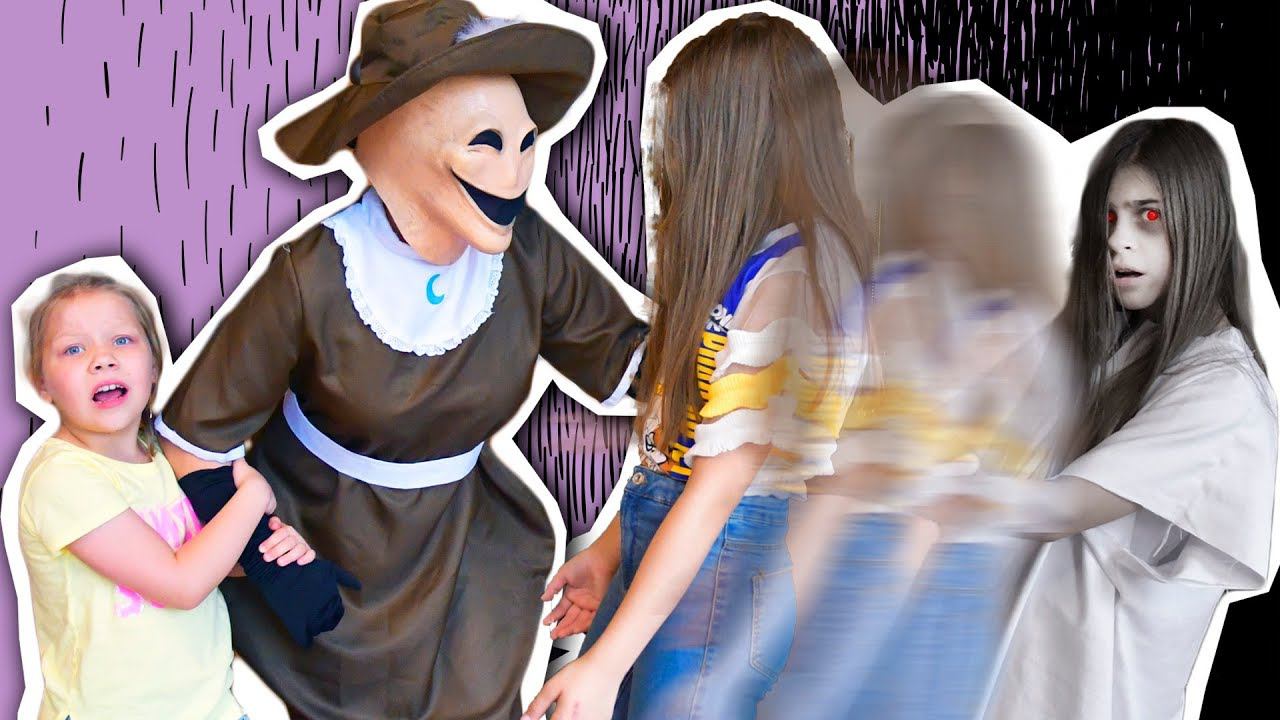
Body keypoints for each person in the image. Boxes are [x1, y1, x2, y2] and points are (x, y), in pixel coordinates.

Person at [154, 2, 648, 718]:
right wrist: (267, 556)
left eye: (525, 142)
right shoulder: (312, 274)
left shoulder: (529, 253)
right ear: (396, 134)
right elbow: (193, 446)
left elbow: (638, 366)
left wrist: (741, 342)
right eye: (485, 143)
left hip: (469, 554)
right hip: (328, 550)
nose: (515, 171)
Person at [524, 13, 870, 720]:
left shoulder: (797, 281)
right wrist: (611, 552)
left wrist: (604, 665)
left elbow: (717, 492)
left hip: (722, 573)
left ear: (734, 142)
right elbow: (676, 449)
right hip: (677, 550)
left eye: (682, 133)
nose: (666, 154)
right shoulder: (744, 264)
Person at [986, 118, 1277, 720]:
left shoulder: (1223, 389)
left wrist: (923, 492)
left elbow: (1061, 510)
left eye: (1148, 216)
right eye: (1111, 218)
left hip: (1100, 699)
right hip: (1025, 682)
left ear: (1201, 222)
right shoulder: (1130, 351)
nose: (1119, 240)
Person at [16, 272, 312, 720]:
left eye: (122, 340)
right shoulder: (60, 478)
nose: (102, 360)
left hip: (211, 709)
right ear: (42, 383)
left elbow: (202, 557)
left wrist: (272, 549)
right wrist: (252, 496)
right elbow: (181, 584)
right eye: (73, 349)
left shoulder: (163, 456)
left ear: (154, 367)